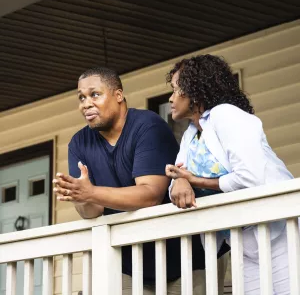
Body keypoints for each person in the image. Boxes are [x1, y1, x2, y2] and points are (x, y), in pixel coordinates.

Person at [52, 67, 229, 294]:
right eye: (81, 98)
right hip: (129, 262)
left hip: (187, 256)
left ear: (118, 95)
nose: (86, 104)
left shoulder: (148, 125)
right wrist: (80, 195)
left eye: (95, 94)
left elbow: (150, 195)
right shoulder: (79, 143)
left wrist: (90, 192)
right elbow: (92, 211)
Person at [165, 54, 294, 294]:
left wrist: (196, 180)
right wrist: (180, 180)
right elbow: (176, 179)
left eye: (176, 89)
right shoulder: (190, 135)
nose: (171, 98)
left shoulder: (226, 115)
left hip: (279, 233)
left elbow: (251, 177)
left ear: (195, 89)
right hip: (241, 240)